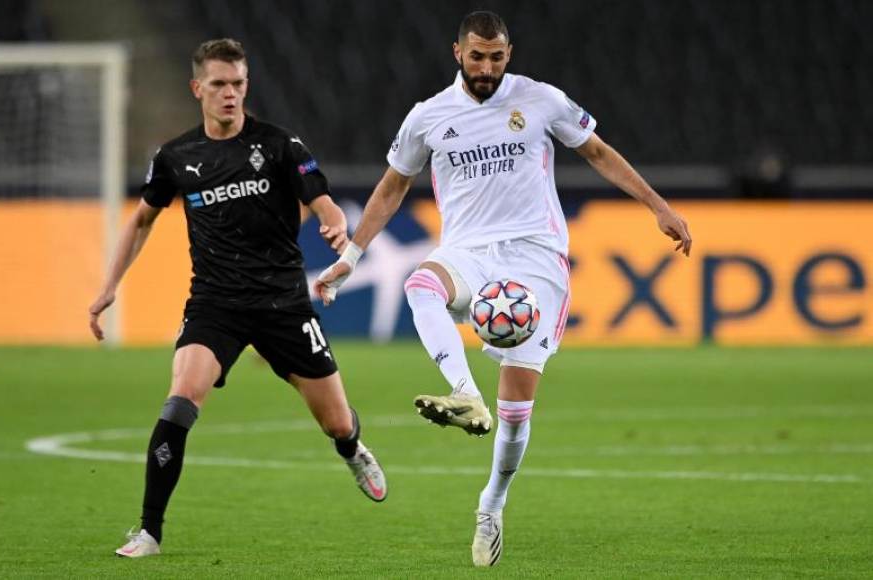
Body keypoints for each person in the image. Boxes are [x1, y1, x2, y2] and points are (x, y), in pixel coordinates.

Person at [314, 11, 691, 567]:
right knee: (422, 283)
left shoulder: (541, 100)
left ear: (508, 54)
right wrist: (351, 256)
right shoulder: (428, 117)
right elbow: (392, 188)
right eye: (476, 56)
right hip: (468, 252)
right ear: (456, 53)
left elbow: (598, 152)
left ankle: (492, 502)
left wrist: (657, 206)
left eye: (495, 57)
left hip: (536, 260)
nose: (485, 67)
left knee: (517, 412)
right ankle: (465, 392)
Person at [89, 38, 387, 559]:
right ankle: (149, 531)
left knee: (336, 421)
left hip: (284, 306)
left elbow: (323, 202)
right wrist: (109, 285)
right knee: (179, 403)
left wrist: (336, 227)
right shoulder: (175, 158)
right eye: (220, 84)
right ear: (197, 88)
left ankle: (351, 448)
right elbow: (141, 221)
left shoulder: (278, 145)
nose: (230, 94)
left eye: (239, 85)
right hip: (215, 305)